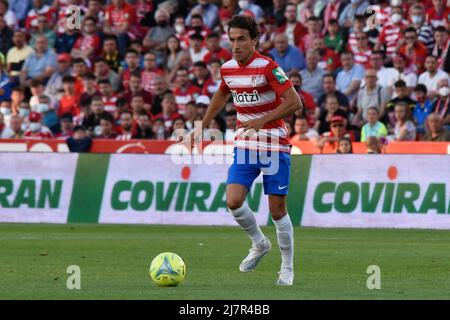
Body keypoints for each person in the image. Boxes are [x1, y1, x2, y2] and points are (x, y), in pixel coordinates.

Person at [193, 15, 302, 286]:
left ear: (255, 40)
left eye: (242, 39)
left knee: (277, 211)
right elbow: (221, 93)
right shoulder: (228, 69)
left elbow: (294, 102)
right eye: (232, 39)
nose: (236, 45)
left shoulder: (269, 67)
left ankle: (287, 267)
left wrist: (262, 120)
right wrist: (202, 125)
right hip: (245, 145)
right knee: (233, 200)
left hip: (274, 144)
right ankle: (259, 243)